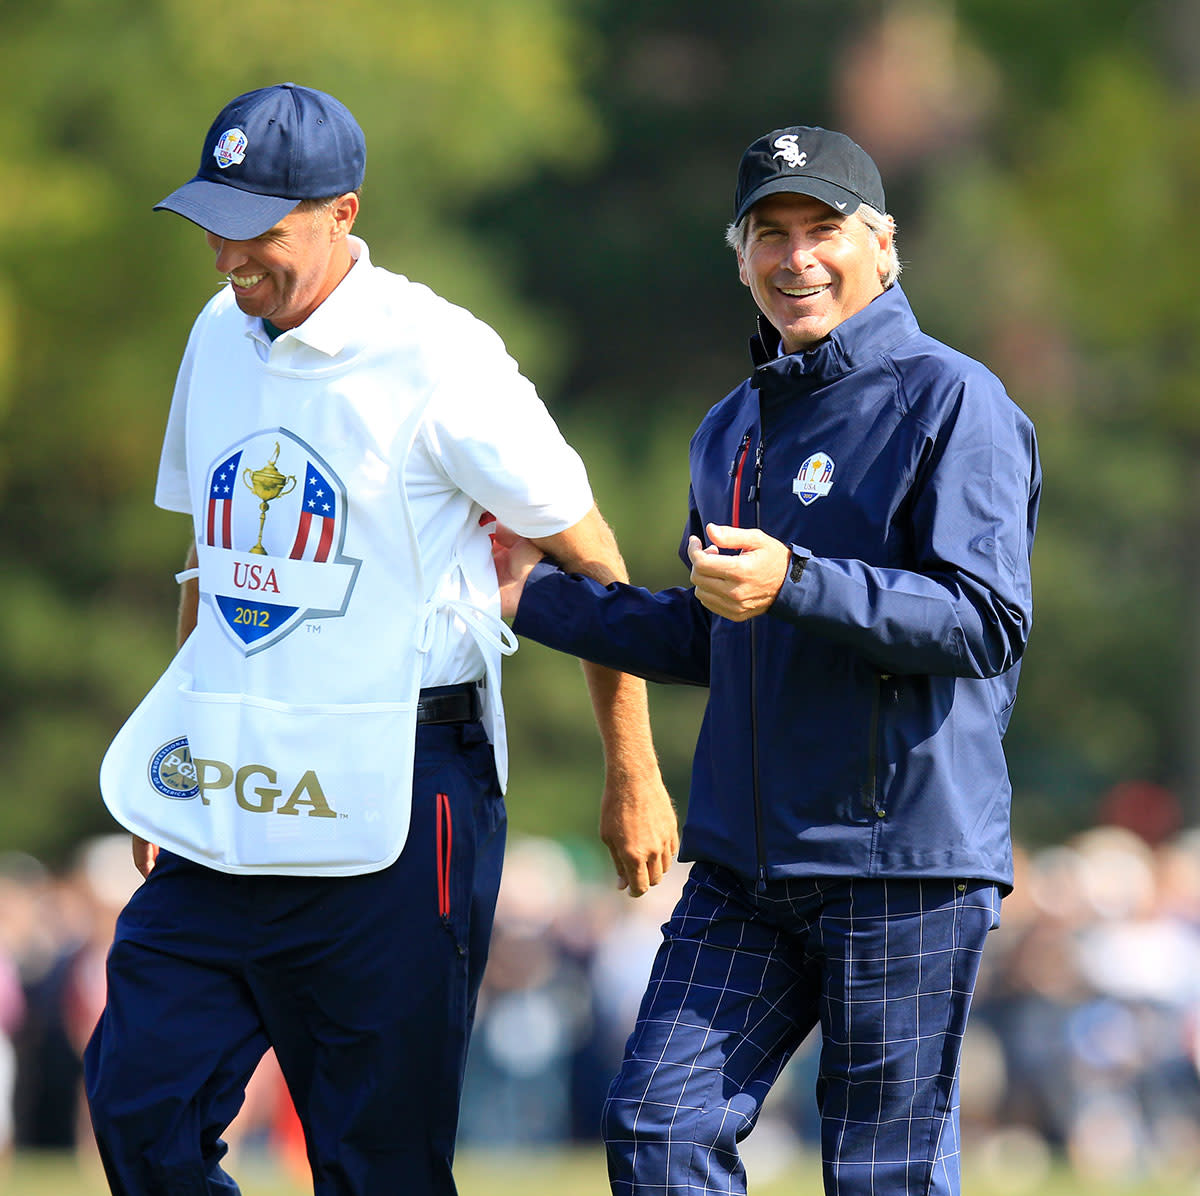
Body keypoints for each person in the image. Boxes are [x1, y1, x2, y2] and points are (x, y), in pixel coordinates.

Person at [83, 82, 677, 1196]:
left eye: (259, 228)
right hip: (232, 790)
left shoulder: (441, 356)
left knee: (379, 1162)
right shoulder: (217, 334)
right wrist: (178, 757)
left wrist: (631, 771)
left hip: (406, 796)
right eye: (215, 221)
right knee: (137, 1101)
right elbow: (209, 569)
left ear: (342, 212)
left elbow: (596, 560)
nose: (226, 257)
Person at [493, 124, 1041, 1196]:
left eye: (824, 229)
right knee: (656, 1127)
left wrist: (797, 578)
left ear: (884, 247)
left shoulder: (954, 399)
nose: (798, 258)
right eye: (769, 233)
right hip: (747, 865)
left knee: (881, 1172)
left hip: (906, 862)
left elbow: (984, 618)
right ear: (738, 256)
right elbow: (711, 634)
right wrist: (529, 596)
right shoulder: (729, 428)